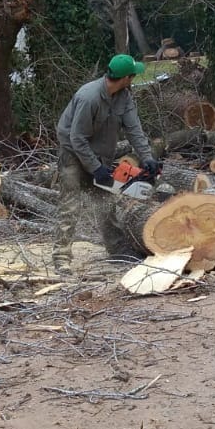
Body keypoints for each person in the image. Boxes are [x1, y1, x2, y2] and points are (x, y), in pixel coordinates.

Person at [53, 53, 162, 269]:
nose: (132, 80)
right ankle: (61, 258)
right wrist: (95, 168)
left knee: (105, 202)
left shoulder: (124, 96)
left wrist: (147, 157)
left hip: (100, 153)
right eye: (132, 76)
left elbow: (134, 129)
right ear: (125, 78)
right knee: (70, 205)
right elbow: (77, 138)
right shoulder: (89, 97)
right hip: (73, 154)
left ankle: (117, 250)